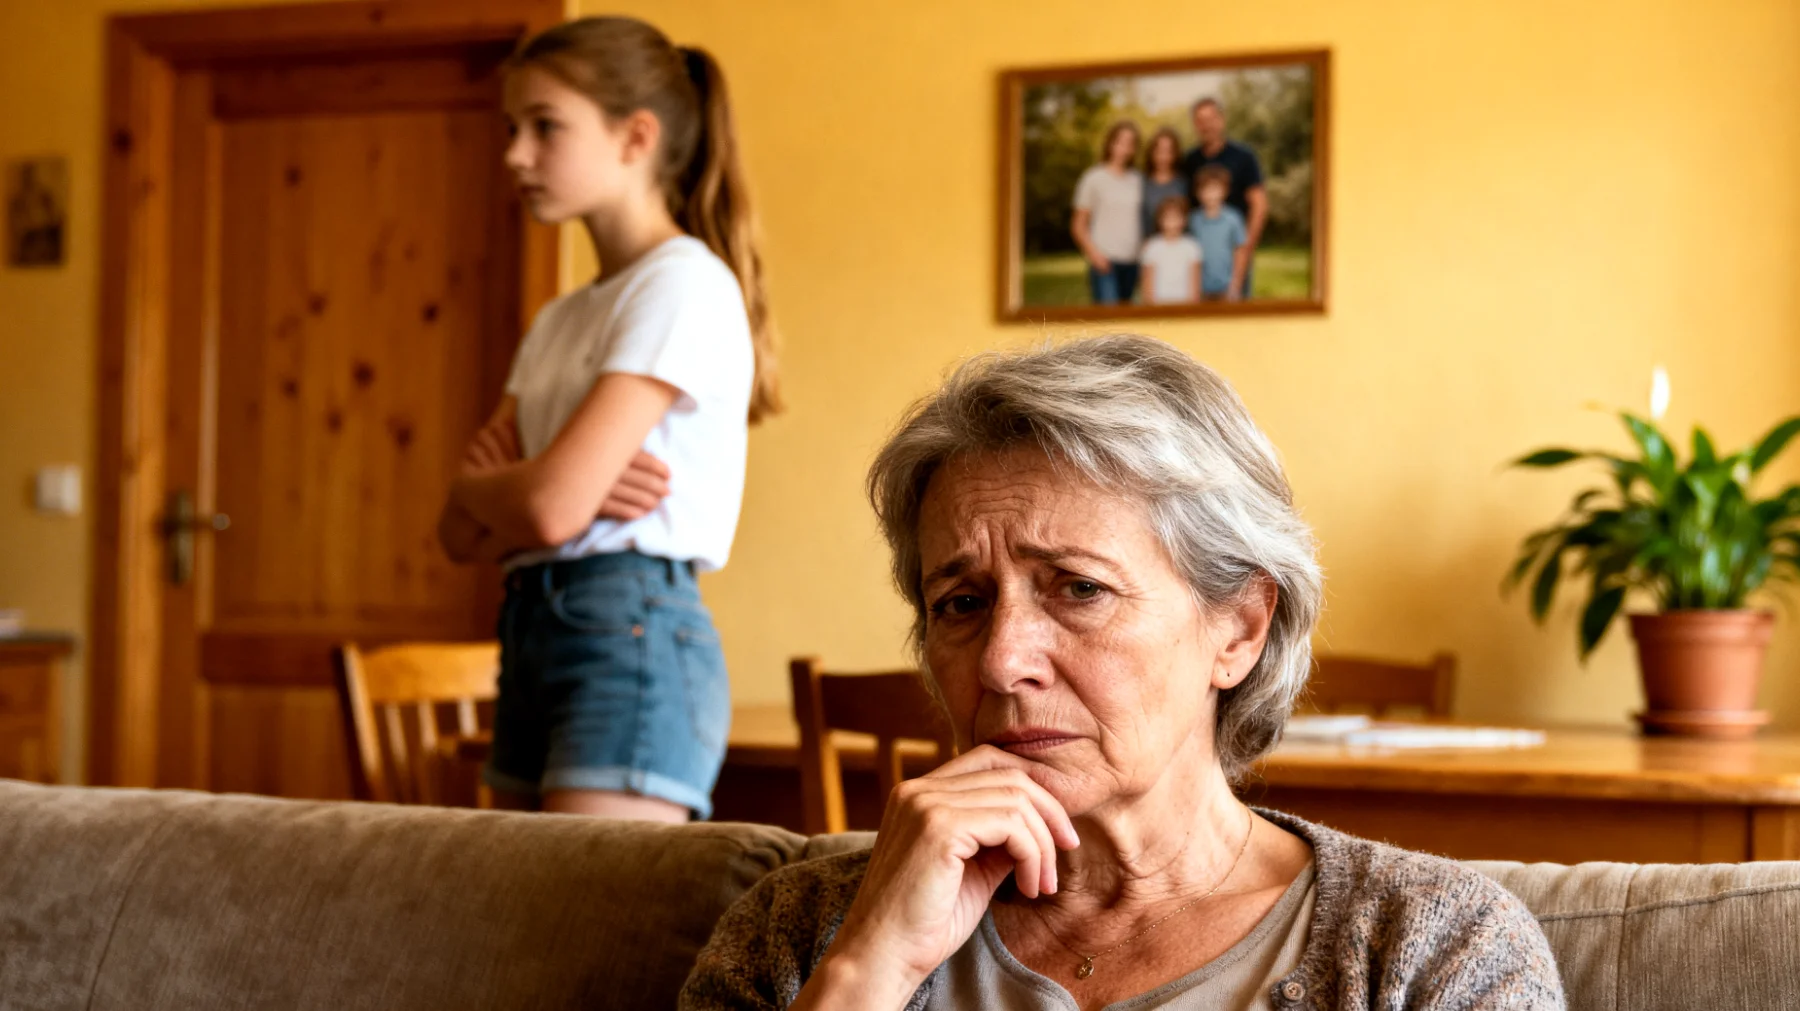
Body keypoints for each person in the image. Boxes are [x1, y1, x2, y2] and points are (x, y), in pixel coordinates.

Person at [682, 336, 1564, 1010]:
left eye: (1079, 588)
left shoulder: (1431, 949)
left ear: (1240, 628)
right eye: (959, 602)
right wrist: (864, 969)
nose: (1001, 658)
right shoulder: (801, 931)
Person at [435, 16, 778, 823]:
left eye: (545, 127)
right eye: (512, 129)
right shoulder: (559, 320)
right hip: (529, 631)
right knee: (506, 925)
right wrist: (496, 487)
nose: (516, 153)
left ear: (636, 137)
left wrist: (511, 486)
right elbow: (458, 531)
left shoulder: (682, 284)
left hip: (626, 634)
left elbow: (548, 507)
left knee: (580, 934)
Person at [1181, 98, 1266, 298]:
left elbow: (1259, 205)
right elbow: (1182, 206)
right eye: (1200, 120)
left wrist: (1245, 249)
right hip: (1200, 261)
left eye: (1211, 118)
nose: (1206, 125)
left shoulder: (1243, 157)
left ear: (1221, 120)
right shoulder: (1189, 160)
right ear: (1195, 125)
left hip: (1234, 254)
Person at [1070, 122, 1143, 305]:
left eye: (1130, 143)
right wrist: (1095, 255)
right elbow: (1078, 225)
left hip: (1133, 263)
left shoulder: (1138, 179)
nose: (1124, 148)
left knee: (1130, 326)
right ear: (1110, 143)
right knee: (1109, 325)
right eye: (1120, 142)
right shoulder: (1093, 178)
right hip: (1105, 262)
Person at [1189, 165, 1249, 301]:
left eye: (1215, 189)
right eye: (1206, 190)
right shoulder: (1194, 220)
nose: (1211, 195)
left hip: (1227, 287)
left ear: (1225, 191)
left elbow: (1240, 251)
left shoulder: (1233, 219)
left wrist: (1236, 284)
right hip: (1200, 288)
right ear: (1198, 193)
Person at [1138, 196, 1201, 305]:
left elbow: (1195, 283)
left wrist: (1192, 306)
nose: (1172, 222)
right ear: (1159, 220)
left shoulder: (1191, 247)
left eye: (1176, 217)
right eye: (1168, 217)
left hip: (1184, 306)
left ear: (1184, 220)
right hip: (1158, 306)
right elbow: (1147, 282)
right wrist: (1149, 305)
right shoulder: (1152, 247)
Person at [1138, 128, 1188, 245]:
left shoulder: (1183, 184)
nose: (1163, 157)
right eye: (1159, 151)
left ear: (1175, 154)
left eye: (1169, 151)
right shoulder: (1142, 182)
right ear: (1151, 152)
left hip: (1178, 249)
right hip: (1150, 249)